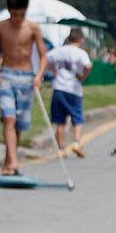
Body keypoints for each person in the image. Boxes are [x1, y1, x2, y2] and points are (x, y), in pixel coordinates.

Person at [0, 0, 47, 177]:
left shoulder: (33, 28)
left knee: (19, 124)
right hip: (7, 76)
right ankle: (14, 162)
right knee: (8, 118)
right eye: (14, 14)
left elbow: (44, 55)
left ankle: (8, 163)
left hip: (27, 78)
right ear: (8, 11)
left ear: (26, 11)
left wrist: (39, 75)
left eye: (21, 14)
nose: (17, 19)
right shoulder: (0, 27)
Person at [46, 28, 92, 158]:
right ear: (81, 39)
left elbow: (45, 59)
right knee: (77, 118)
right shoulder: (81, 53)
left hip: (59, 87)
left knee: (60, 121)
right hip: (74, 89)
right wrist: (83, 76)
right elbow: (88, 66)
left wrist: (53, 70)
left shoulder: (58, 51)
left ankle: (61, 149)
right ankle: (76, 143)